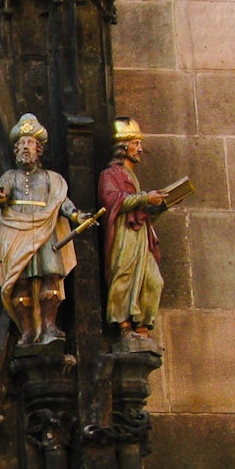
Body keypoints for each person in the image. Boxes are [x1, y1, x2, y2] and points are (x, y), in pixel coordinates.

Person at [0, 113, 91, 346]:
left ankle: (48, 326)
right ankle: (27, 330)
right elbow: (0, 196)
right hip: (16, 231)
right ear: (16, 150)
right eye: (22, 144)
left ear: (39, 150)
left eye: (30, 144)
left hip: (46, 231)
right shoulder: (10, 176)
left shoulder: (51, 178)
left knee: (50, 277)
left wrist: (78, 215)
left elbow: (62, 203)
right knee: (20, 281)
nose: (26, 148)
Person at [98, 117, 164, 349]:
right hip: (124, 234)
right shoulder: (110, 174)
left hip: (140, 235)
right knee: (124, 276)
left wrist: (156, 204)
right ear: (124, 146)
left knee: (154, 281)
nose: (140, 149)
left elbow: (137, 205)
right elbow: (111, 199)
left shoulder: (132, 175)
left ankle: (143, 327)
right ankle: (124, 326)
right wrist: (145, 198)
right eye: (136, 143)